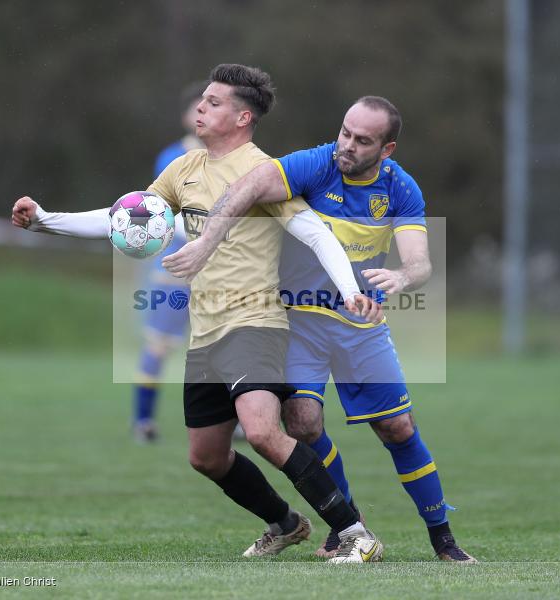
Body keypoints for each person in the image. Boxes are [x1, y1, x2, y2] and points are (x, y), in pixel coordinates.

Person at [11, 64, 386, 563]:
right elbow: (126, 216)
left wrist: (349, 291)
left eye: (213, 102)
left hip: (255, 320)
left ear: (242, 116)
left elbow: (316, 234)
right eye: (201, 100)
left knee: (261, 431)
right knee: (206, 457)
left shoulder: (264, 173)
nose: (200, 108)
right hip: (206, 330)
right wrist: (44, 221)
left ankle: (355, 532)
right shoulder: (183, 169)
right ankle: (285, 523)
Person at [163, 96, 477, 563]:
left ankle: (443, 538)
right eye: (345, 132)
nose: (347, 145)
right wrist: (207, 241)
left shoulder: (400, 189)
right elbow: (249, 185)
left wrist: (402, 278)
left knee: (397, 427)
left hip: (359, 325)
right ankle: (348, 528)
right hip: (299, 324)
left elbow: (419, 262)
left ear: (386, 149)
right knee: (303, 423)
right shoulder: (315, 164)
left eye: (362, 140)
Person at [132, 82, 203, 443]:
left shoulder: (237, 161)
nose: (204, 114)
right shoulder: (172, 157)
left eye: (211, 106)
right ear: (185, 116)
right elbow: (161, 209)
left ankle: (236, 422)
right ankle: (142, 421)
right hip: (175, 270)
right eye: (198, 107)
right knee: (158, 345)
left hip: (219, 272)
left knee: (226, 346)